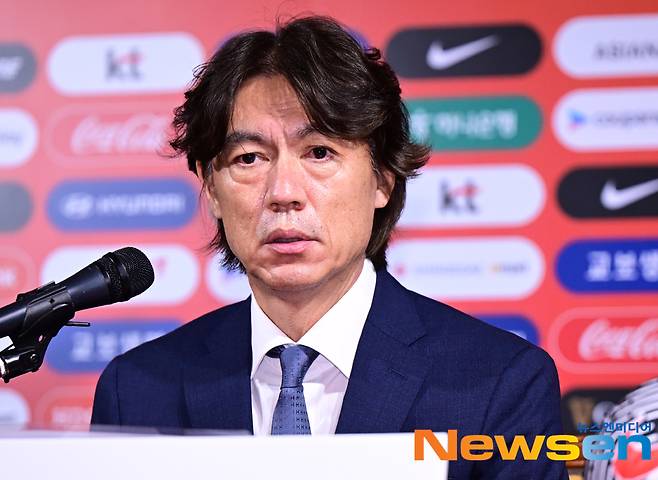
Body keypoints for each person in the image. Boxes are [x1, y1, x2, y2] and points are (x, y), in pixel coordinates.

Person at [91, 15, 568, 479]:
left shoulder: (499, 382)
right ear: (212, 188)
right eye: (249, 158)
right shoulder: (136, 390)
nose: (283, 192)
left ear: (382, 179)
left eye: (319, 152)